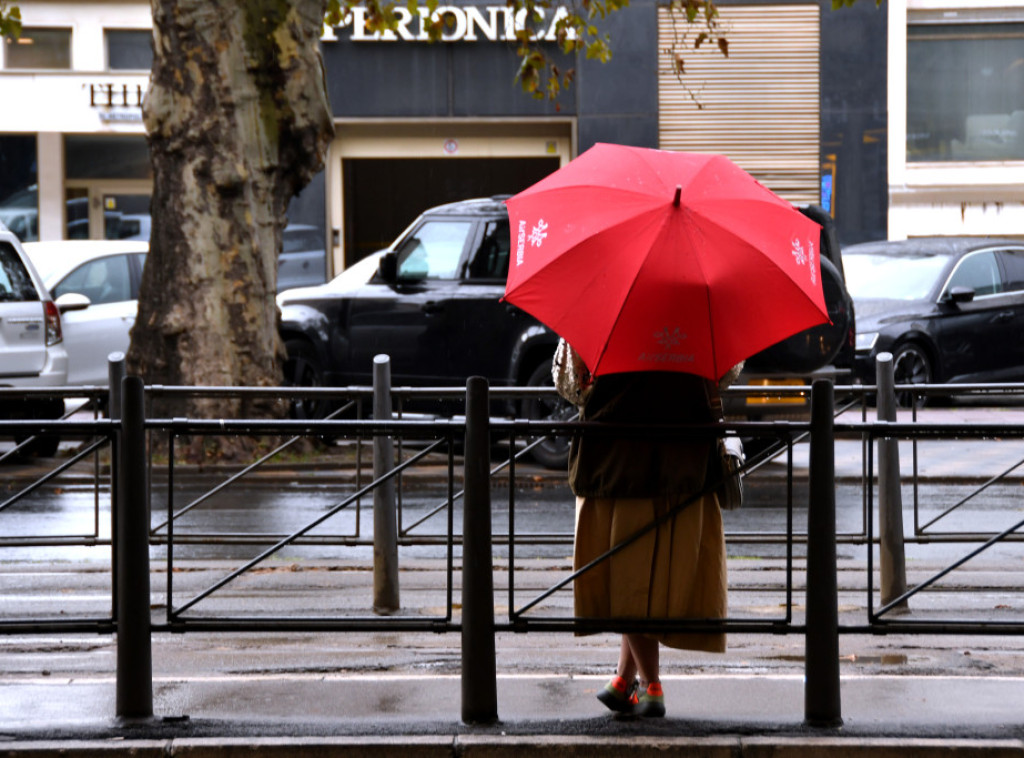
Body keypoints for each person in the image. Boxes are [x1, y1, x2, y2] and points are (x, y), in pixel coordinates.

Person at [552, 338, 741, 718]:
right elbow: (726, 373)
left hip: (617, 459)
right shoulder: (695, 304)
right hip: (682, 458)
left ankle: (651, 685)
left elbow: (571, 383)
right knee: (644, 575)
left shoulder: (607, 302)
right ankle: (624, 681)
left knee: (629, 574)